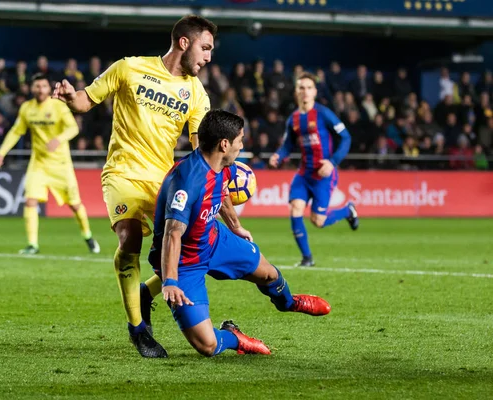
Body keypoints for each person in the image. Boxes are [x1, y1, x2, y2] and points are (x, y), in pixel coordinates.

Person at [52, 15, 216, 358]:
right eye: (205, 48)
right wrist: (70, 96)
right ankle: (139, 328)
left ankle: (144, 293)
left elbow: (202, 145)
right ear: (183, 43)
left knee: (191, 251)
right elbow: (86, 100)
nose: (208, 57)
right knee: (130, 239)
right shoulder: (129, 68)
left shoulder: (197, 93)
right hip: (122, 173)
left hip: (163, 180)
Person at [148, 109, 331, 357]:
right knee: (207, 346)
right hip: (184, 263)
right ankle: (234, 337)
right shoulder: (188, 180)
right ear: (224, 144)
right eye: (240, 140)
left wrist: (235, 226)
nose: (242, 146)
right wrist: (169, 281)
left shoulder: (222, 163)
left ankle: (289, 303)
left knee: (268, 274)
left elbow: (221, 192)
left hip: (214, 239)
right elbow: (172, 234)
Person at [0, 73, 100, 256]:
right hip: (39, 163)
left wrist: (58, 140)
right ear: (32, 88)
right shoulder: (27, 108)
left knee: (74, 205)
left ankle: (88, 236)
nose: (40, 89)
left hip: (61, 164)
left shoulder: (58, 105)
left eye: (43, 86)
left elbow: (73, 128)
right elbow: (15, 131)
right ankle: (32, 244)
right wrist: (1, 152)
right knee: (30, 201)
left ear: (48, 88)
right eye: (37, 86)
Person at [269, 72, 359, 267]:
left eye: (309, 88)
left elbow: (346, 138)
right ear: (296, 91)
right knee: (295, 209)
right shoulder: (293, 119)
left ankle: (347, 211)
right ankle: (307, 258)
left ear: (315, 91)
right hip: (303, 174)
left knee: (318, 221)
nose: (305, 92)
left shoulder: (324, 114)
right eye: (302, 87)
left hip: (323, 174)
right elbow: (287, 145)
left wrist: (332, 162)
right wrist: (278, 155)